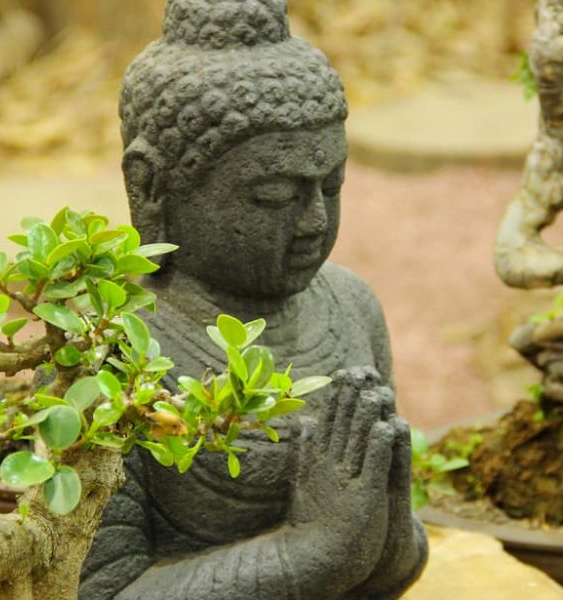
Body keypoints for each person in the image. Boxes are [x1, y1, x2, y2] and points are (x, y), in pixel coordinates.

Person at [79, 1, 427, 597]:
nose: (315, 220)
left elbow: (386, 569)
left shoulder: (351, 308)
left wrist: (386, 523)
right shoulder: (110, 347)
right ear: (151, 184)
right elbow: (96, 590)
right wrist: (312, 551)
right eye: (272, 195)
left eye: (332, 185)